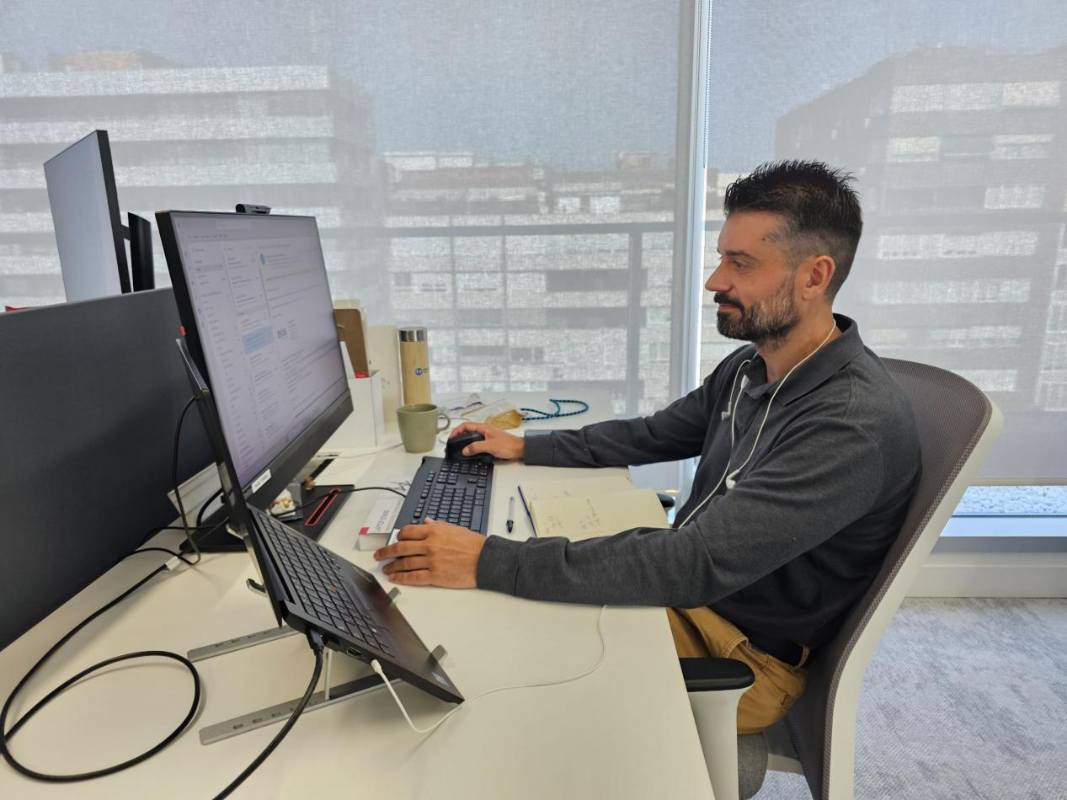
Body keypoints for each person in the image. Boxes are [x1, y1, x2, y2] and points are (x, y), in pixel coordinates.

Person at [374, 160, 921, 733]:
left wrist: (487, 559)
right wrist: (526, 447)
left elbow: (694, 563)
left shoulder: (848, 424)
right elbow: (655, 433)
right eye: (721, 257)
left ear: (814, 277)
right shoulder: (752, 366)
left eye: (740, 264)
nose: (715, 281)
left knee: (497, 632)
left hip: (743, 654)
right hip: (696, 595)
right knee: (495, 597)